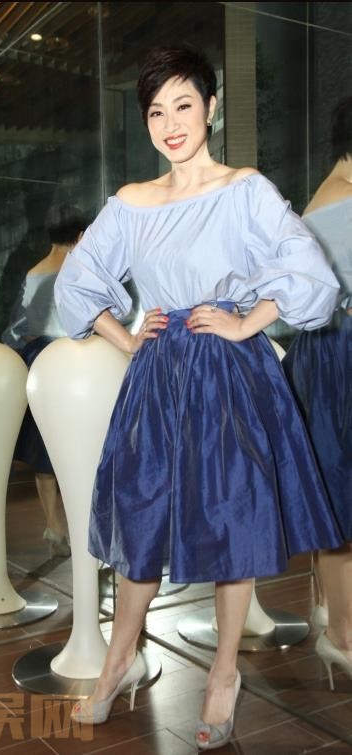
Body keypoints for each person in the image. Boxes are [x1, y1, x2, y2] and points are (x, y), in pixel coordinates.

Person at [54, 45, 344, 749]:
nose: (171, 123)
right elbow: (77, 281)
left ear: (211, 108)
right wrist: (127, 338)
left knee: (228, 517)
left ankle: (222, 674)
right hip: (158, 379)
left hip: (229, 375)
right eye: (156, 111)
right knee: (140, 515)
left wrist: (247, 321)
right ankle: (119, 659)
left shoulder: (245, 189)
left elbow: (309, 272)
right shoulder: (132, 202)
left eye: (184, 104)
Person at [283, 96, 352, 690]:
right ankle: (342, 635)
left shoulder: (332, 193)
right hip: (336, 358)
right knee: (340, 502)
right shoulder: (340, 200)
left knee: (339, 496)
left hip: (330, 355)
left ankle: (335, 616)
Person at [2, 206, 86, 556]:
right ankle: (81, 527)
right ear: (80, 235)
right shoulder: (79, 270)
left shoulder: (33, 271)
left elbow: (16, 330)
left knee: (42, 448)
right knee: (78, 447)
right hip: (73, 363)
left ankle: (53, 523)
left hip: (39, 364)